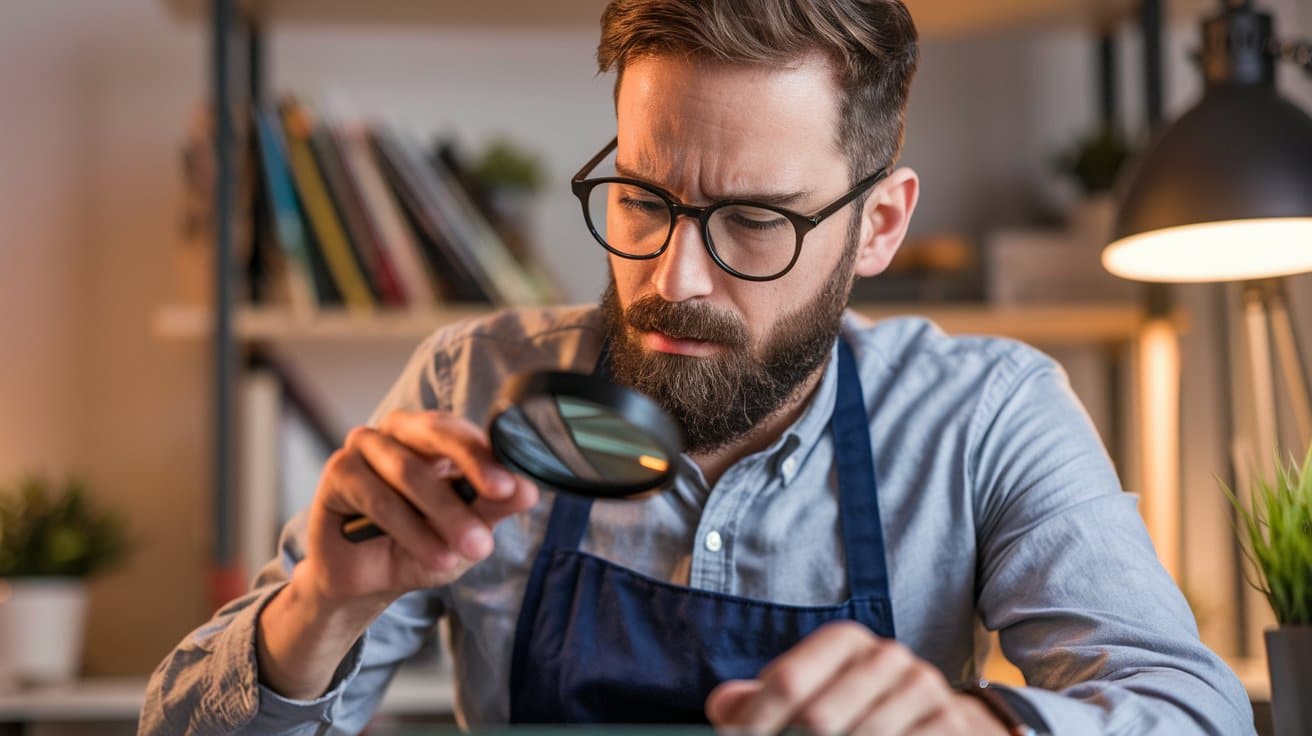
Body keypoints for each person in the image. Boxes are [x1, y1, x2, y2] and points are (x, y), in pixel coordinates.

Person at [141, 1, 1254, 733]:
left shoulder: (983, 416)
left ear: (877, 226)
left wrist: (982, 725)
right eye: (641, 198)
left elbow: (1193, 709)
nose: (675, 276)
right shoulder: (468, 384)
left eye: (754, 221)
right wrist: (316, 613)